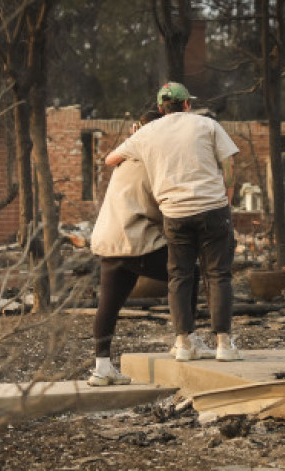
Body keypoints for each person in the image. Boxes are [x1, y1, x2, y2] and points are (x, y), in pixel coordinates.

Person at [105, 82, 242, 362]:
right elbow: (228, 167)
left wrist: (136, 139)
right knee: (218, 275)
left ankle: (183, 343)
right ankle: (224, 344)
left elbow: (110, 159)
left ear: (160, 108)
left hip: (175, 213)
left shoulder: (148, 133)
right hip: (213, 208)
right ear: (187, 104)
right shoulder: (207, 125)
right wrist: (226, 202)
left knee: (180, 276)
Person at [87, 110, 212, 387]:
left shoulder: (127, 157)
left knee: (109, 305)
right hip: (136, 239)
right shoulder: (153, 160)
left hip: (110, 240)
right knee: (185, 273)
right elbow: (167, 203)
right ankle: (186, 339)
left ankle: (102, 367)